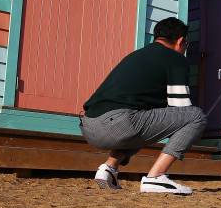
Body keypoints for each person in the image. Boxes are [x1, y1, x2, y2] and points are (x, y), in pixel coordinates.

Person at [80, 17, 207, 195]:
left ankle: (109, 168)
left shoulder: (138, 55)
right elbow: (182, 110)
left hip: (89, 126)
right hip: (117, 124)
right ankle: (156, 177)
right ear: (181, 41)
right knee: (196, 116)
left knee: (143, 118)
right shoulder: (175, 59)